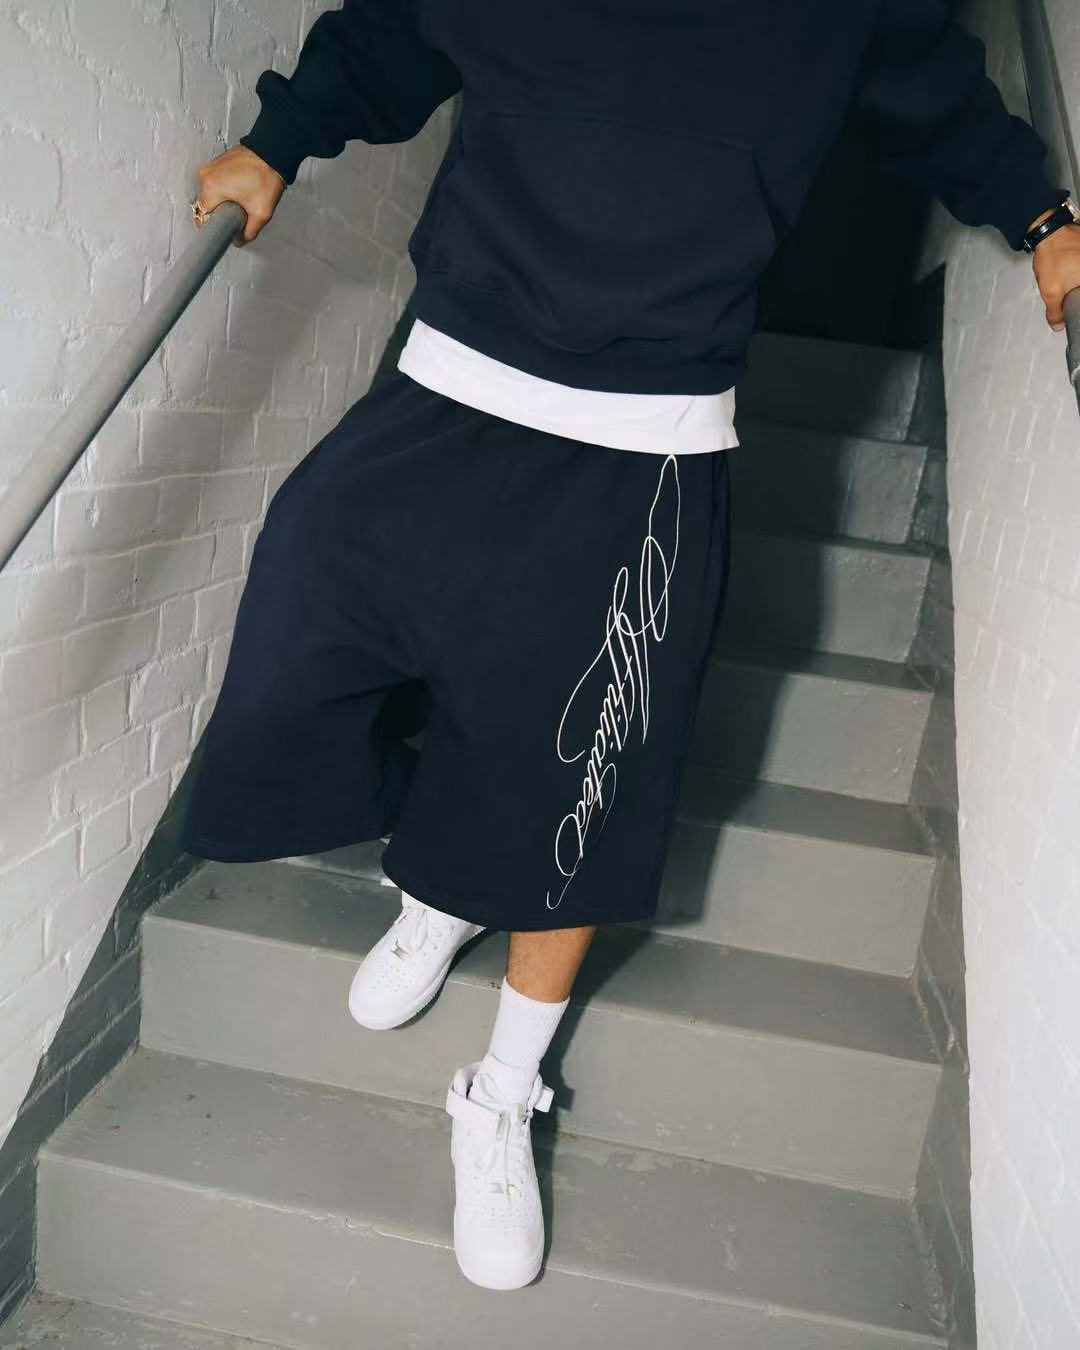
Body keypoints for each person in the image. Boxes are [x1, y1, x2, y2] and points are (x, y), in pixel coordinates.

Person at [181, 0, 1080, 1292]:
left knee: (584, 789)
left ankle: (502, 1085)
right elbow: (386, 36)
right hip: (450, 381)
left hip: (647, 447)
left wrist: (1049, 227)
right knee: (292, 643)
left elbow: (945, 104)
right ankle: (443, 877)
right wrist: (281, 139)